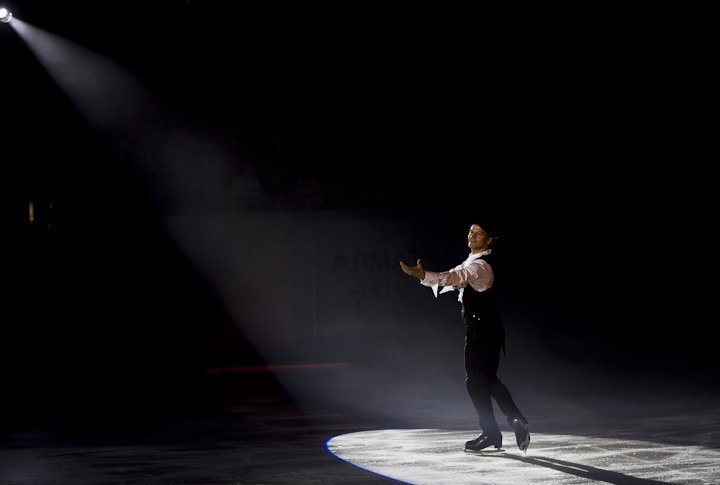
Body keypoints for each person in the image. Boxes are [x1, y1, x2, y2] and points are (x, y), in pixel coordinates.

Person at [399, 222, 530, 453]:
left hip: (481, 331)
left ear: (489, 240)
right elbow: (457, 278)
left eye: (479, 233)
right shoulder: (475, 262)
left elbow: (454, 277)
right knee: (485, 380)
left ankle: (496, 429)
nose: (473, 235)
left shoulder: (479, 266)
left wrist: (423, 275)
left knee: (477, 381)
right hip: (486, 329)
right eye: (471, 231)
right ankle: (505, 425)